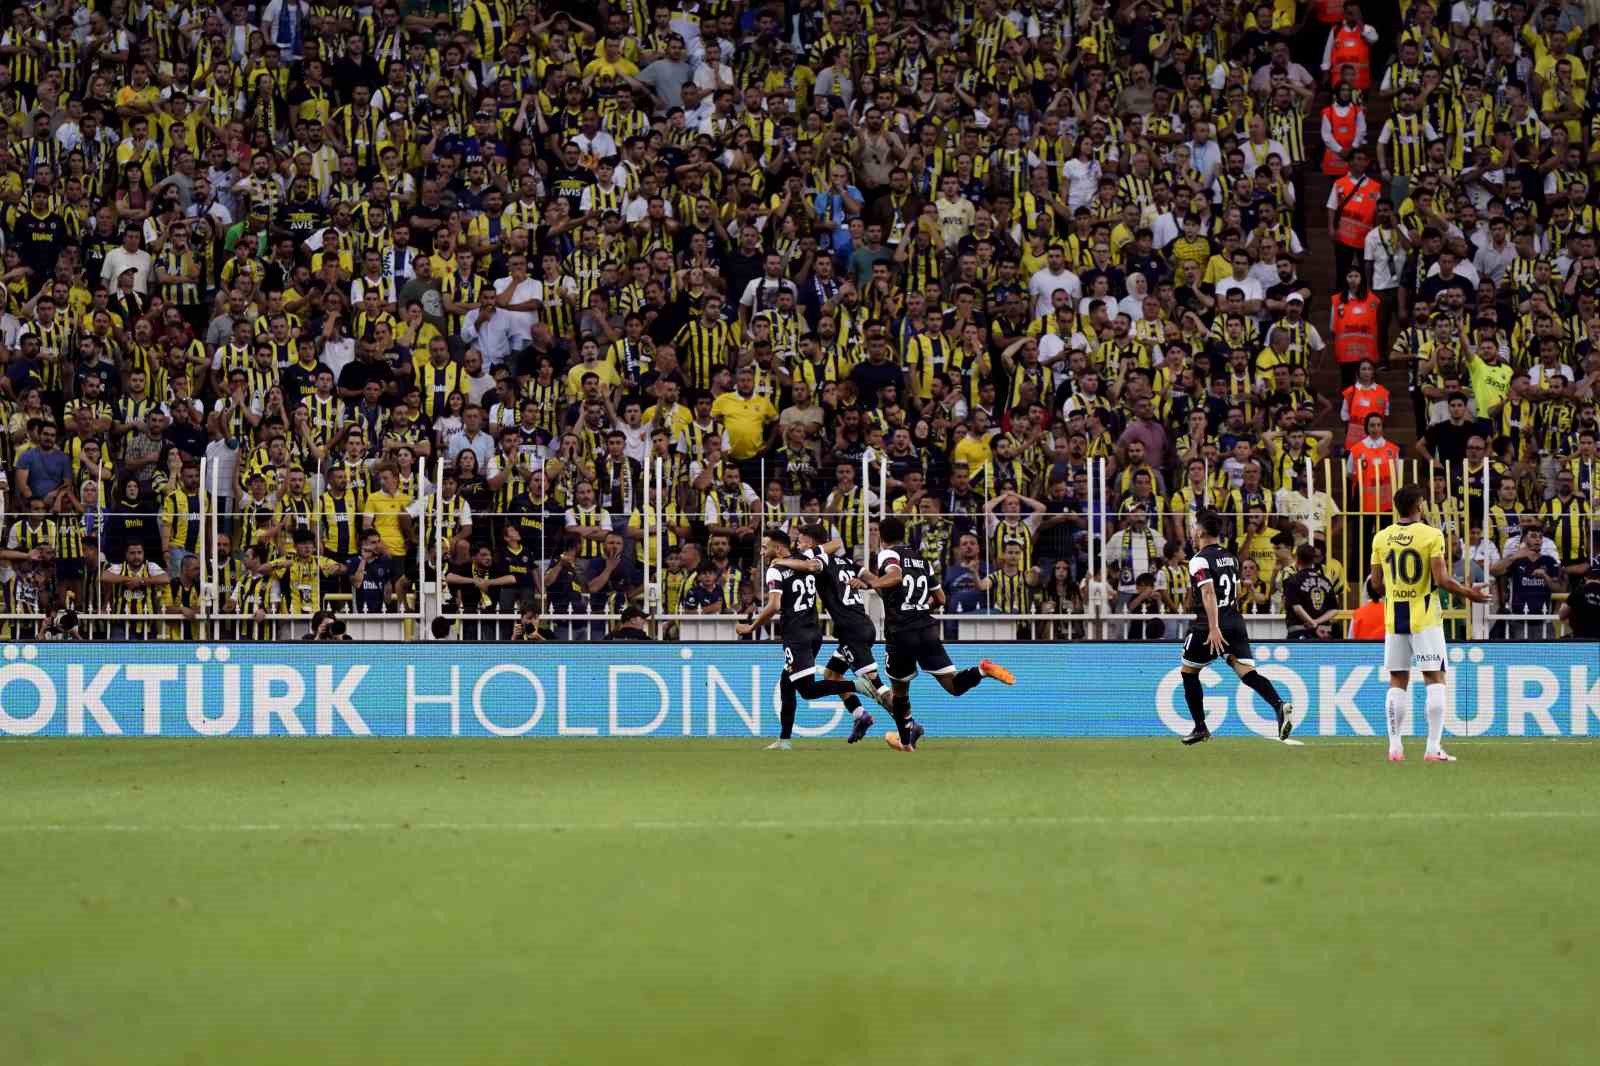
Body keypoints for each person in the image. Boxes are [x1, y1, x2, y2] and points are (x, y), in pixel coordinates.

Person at [851, 516, 1014, 753]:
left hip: (901, 632)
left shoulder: (888, 554)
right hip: (926, 629)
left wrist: (871, 582)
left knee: (899, 694)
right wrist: (919, 609)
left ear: (881, 538)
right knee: (954, 685)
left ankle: (906, 742)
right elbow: (941, 599)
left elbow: (895, 576)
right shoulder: (921, 560)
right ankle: (981, 670)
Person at [1368, 485, 1491, 764]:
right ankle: (1433, 748)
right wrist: (1471, 594)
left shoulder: (1381, 538)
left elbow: (1376, 584)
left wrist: (1397, 588)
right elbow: (1442, 580)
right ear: (1419, 506)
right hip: (1424, 618)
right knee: (1434, 678)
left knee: (1397, 679)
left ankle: (1395, 748)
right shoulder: (1432, 535)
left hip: (1393, 618)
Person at [1176, 510, 1295, 745]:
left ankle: (1200, 727)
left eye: (1192, 527)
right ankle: (1279, 705)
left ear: (1199, 531)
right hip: (1234, 621)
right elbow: (1235, 589)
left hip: (1209, 625)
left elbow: (1208, 592)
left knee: (1188, 672)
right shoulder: (1230, 557)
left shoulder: (1199, 560)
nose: (1191, 532)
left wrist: (1213, 628)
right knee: (1245, 671)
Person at [735, 530, 858, 751]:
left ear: (779, 548)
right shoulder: (805, 557)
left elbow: (774, 606)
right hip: (813, 633)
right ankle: (784, 740)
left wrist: (752, 626)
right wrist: (812, 559)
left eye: (765, 547)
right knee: (787, 683)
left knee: (808, 690)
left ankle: (858, 685)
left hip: (796, 634)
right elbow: (837, 543)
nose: (762, 552)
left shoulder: (775, 569)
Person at [774, 523, 889, 744]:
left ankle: (908, 723)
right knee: (831, 674)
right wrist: (869, 586)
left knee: (877, 687)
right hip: (860, 625)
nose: (798, 542)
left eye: (802, 539)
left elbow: (812, 565)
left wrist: (781, 561)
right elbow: (874, 580)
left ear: (813, 543)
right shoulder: (849, 562)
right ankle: (860, 715)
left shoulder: (819, 560)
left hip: (851, 630)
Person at [1283, 544, 1339, 639]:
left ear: (1297, 559)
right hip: (1324, 633)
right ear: (1313, 560)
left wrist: (1313, 624)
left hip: (1300, 632)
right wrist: (1316, 622)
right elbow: (1334, 610)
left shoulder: (1293, 580)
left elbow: (1297, 608)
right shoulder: (1326, 580)